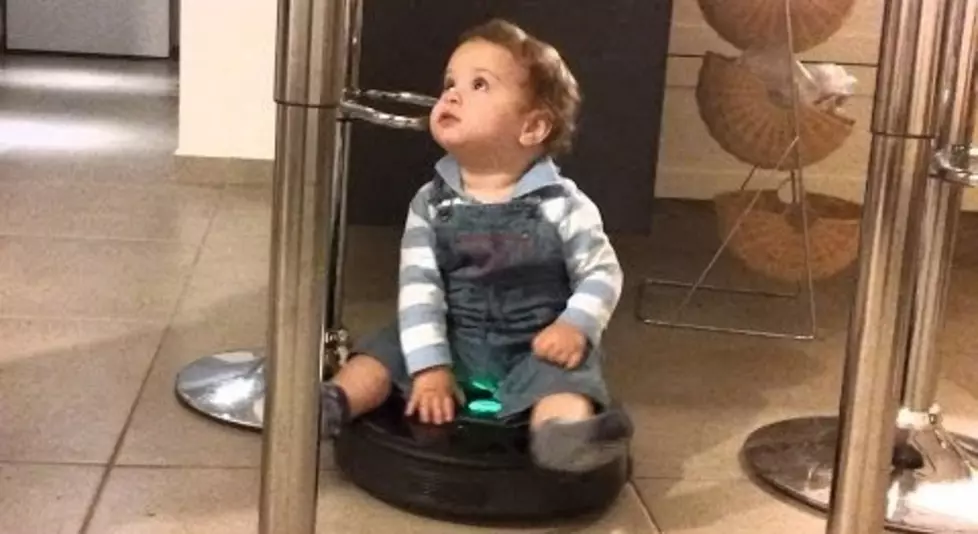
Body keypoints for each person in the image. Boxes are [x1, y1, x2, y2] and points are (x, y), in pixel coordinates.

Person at [320, 18, 632, 473]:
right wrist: (429, 367)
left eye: (479, 84)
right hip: (453, 336)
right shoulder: (431, 203)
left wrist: (575, 325)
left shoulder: (564, 205)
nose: (451, 94)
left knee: (565, 382)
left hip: (536, 345)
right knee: (383, 352)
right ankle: (332, 403)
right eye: (450, 83)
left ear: (532, 127)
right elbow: (419, 290)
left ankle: (563, 439)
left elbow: (602, 272)